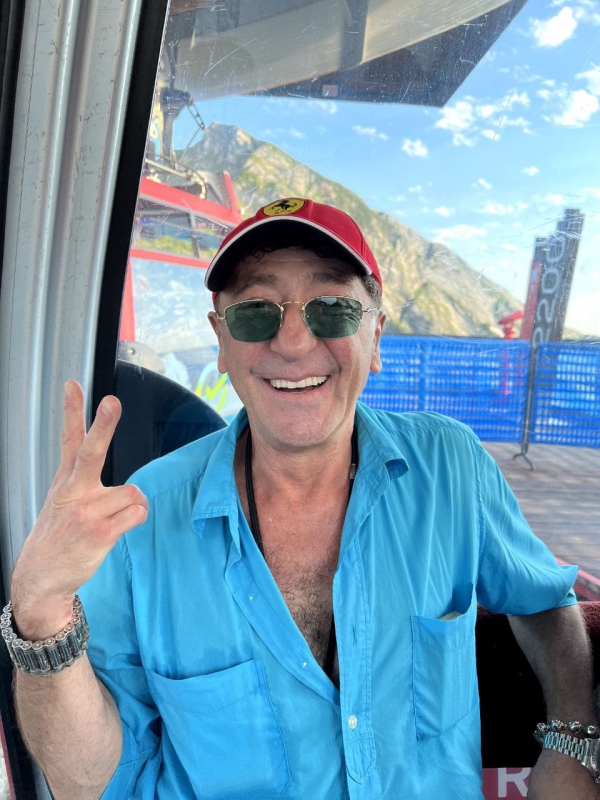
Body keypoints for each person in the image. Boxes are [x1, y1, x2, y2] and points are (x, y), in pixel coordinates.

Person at [8, 198, 599, 800]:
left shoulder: (452, 468)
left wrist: (572, 741)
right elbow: (90, 782)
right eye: (255, 312)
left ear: (375, 335)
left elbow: (544, 600)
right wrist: (40, 611)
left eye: (333, 307)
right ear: (222, 340)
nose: (292, 341)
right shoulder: (141, 518)